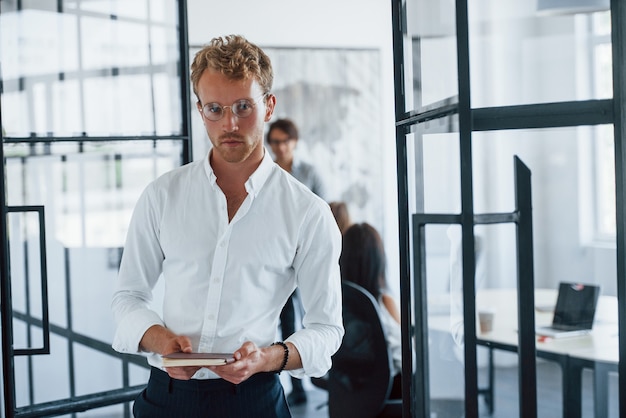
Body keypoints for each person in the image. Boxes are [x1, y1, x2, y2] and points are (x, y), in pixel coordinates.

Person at [111, 34, 344, 418]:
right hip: (166, 398)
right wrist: (161, 340)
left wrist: (268, 358)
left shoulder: (308, 212)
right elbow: (128, 297)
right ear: (200, 109)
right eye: (215, 109)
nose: (229, 123)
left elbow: (326, 329)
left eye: (242, 106)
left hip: (254, 401)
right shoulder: (161, 195)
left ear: (268, 106)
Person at [266, 118, 327, 405]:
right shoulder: (264, 173)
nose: (280, 147)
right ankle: (287, 385)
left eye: (285, 141)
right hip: (274, 258)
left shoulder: (309, 173)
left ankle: (304, 380)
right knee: (280, 319)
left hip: (304, 255)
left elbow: (322, 214)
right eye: (275, 141)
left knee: (312, 318)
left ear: (294, 142)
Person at [339, 222, 402, 399]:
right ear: (379, 261)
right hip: (389, 391)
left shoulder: (338, 301)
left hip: (348, 390)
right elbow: (405, 357)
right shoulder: (384, 302)